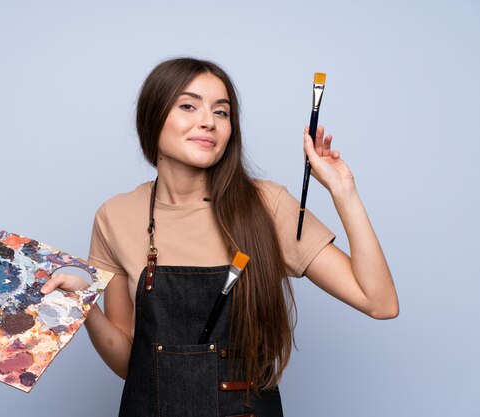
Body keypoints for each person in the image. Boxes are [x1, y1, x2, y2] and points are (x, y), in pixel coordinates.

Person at [41, 57, 399, 416]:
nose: (208, 122)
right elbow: (129, 364)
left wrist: (344, 190)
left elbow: (380, 302)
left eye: (221, 112)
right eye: (188, 106)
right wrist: (83, 305)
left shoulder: (266, 205)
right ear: (153, 117)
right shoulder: (114, 215)